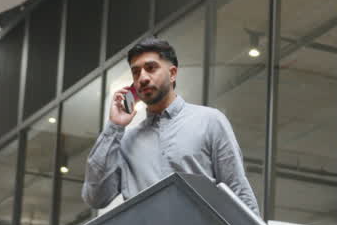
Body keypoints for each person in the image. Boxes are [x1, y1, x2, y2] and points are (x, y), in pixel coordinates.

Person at [81, 37, 260, 214]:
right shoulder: (125, 141)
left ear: (173, 73)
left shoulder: (209, 121)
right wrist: (114, 126)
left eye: (151, 68)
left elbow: (238, 191)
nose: (142, 78)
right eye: (136, 72)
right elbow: (95, 198)